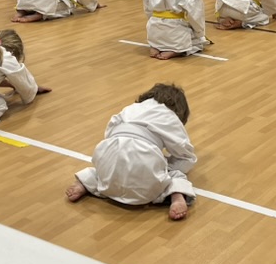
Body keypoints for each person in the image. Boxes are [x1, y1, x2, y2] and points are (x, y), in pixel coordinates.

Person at [66, 83, 196, 221]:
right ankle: (176, 196)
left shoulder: (130, 109)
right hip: (143, 160)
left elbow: (110, 132)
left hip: (109, 149)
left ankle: (85, 182)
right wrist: (166, 166)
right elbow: (186, 156)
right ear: (180, 112)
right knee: (176, 174)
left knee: (102, 172)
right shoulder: (170, 117)